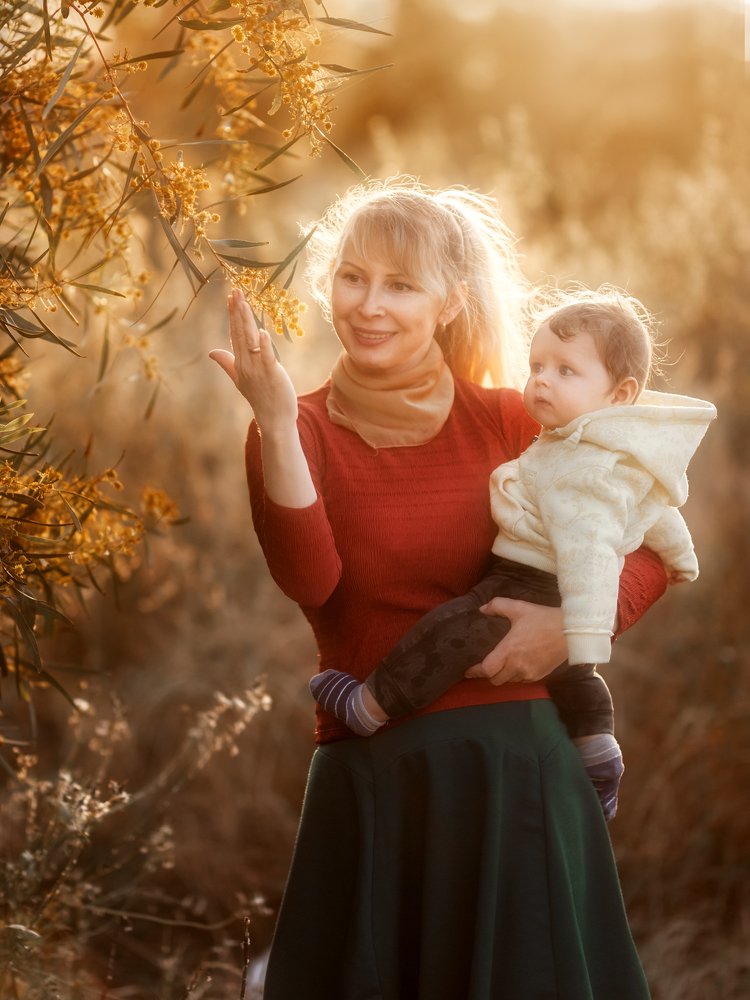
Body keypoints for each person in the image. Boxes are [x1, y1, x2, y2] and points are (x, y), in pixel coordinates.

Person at [210, 177, 669, 999]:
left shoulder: (511, 418)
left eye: (400, 284)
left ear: (450, 301)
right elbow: (312, 581)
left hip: (519, 778)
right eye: (353, 277)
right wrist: (275, 423)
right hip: (375, 781)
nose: (369, 305)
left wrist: (570, 632)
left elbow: (651, 543)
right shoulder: (296, 425)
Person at [311, 290, 716, 821]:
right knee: (577, 681)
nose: (542, 380)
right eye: (537, 365)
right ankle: (599, 753)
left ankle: (368, 706)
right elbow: (654, 512)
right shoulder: (606, 451)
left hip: (528, 583)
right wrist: (682, 557)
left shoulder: (584, 467)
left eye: (566, 371)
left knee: (452, 629)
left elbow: (591, 552)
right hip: (551, 591)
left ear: (620, 395)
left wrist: (583, 630)